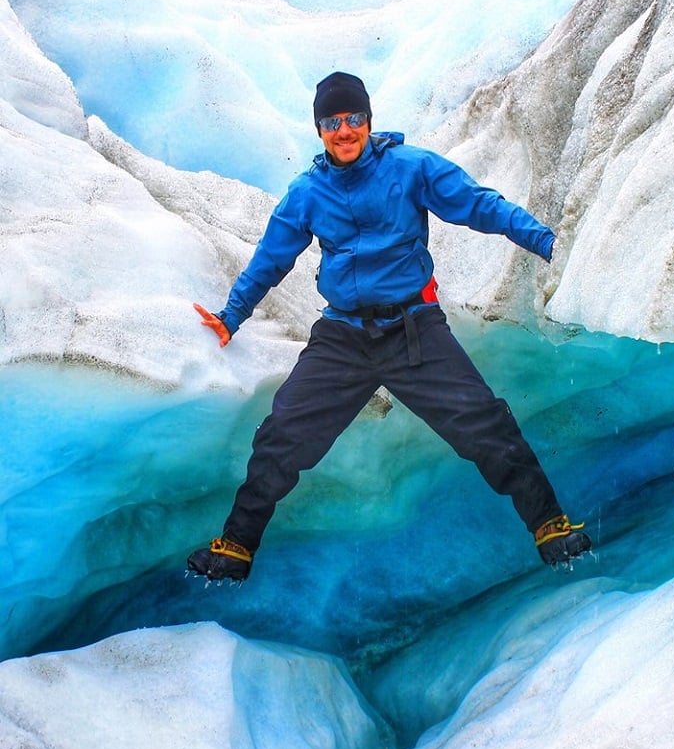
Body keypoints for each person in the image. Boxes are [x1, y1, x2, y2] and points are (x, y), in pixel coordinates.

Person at [188, 71, 591, 583]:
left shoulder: (410, 168)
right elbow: (270, 260)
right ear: (319, 131)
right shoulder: (307, 193)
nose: (344, 130)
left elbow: (479, 205)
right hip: (342, 337)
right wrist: (230, 317)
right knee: (282, 436)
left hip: (414, 328)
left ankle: (550, 525)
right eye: (332, 122)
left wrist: (546, 242)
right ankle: (236, 547)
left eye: (353, 118)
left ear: (369, 120)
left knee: (486, 425)